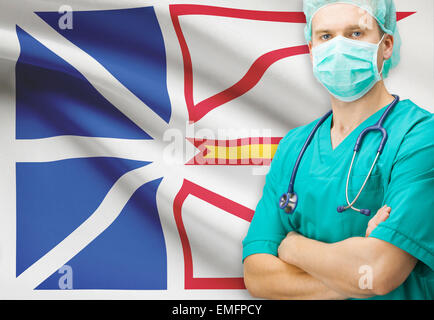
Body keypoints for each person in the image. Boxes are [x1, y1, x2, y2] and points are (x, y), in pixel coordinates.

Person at [242, 0, 434, 300]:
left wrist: (291, 246)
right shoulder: (295, 146)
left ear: (386, 45)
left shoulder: (420, 135)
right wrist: (352, 272)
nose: (338, 48)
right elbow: (256, 275)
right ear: (311, 49)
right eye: (326, 36)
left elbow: (378, 273)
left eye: (356, 33)